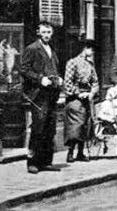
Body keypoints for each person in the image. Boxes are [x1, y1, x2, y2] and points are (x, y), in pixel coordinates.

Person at [19, 21, 63, 173]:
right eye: (44, 32)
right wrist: (39, 79)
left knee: (49, 128)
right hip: (38, 95)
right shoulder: (32, 49)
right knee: (38, 127)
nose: (46, 35)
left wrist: (58, 78)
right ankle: (32, 162)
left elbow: (54, 68)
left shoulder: (52, 49)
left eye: (49, 32)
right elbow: (24, 69)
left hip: (51, 93)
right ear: (38, 32)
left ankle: (46, 161)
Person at [63, 38, 99, 163]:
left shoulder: (90, 65)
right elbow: (67, 83)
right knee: (75, 126)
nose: (92, 51)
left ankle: (80, 152)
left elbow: (95, 81)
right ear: (84, 49)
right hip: (74, 100)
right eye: (90, 48)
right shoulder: (72, 63)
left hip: (87, 100)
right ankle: (70, 152)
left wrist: (92, 93)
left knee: (86, 125)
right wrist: (79, 93)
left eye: (92, 49)